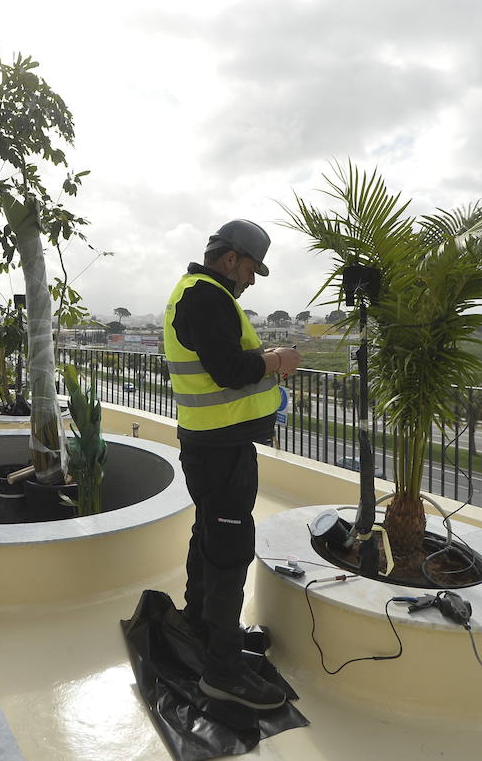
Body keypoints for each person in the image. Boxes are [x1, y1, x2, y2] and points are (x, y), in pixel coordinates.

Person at [162, 218, 302, 710]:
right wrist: (277, 359)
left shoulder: (196, 293)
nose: (252, 279)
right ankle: (222, 672)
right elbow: (230, 370)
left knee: (211, 537)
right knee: (229, 550)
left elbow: (217, 365)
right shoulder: (207, 296)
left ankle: (202, 626)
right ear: (229, 260)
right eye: (250, 269)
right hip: (219, 448)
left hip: (214, 444)